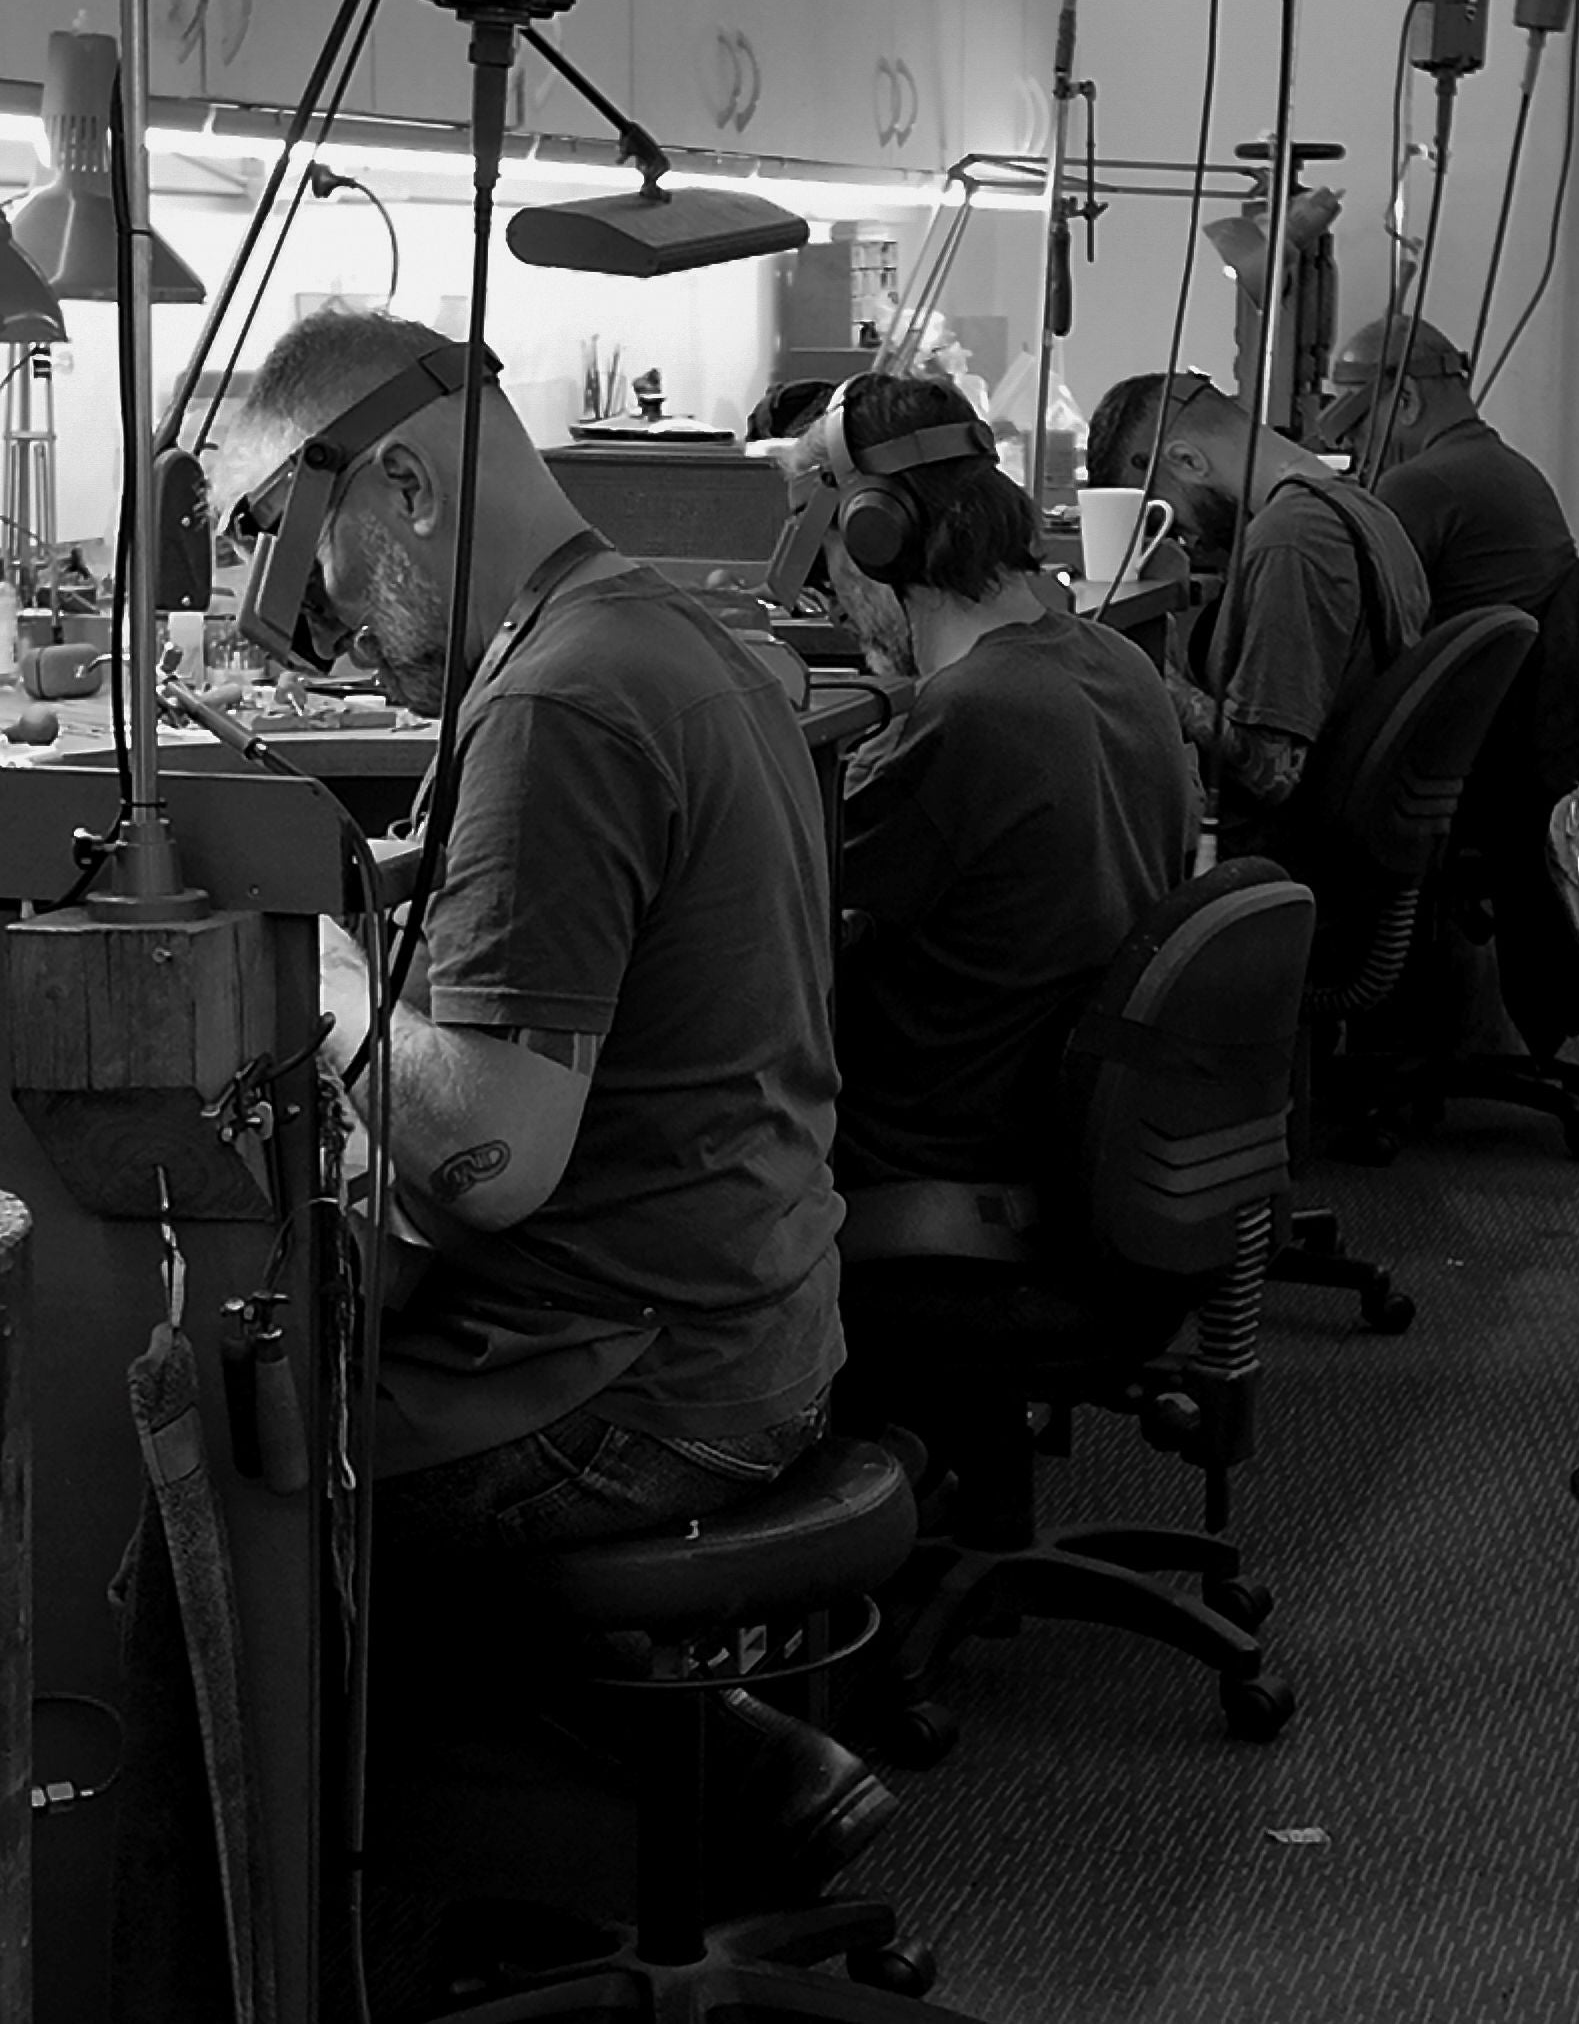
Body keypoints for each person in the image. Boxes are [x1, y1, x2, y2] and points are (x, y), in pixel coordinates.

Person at [221, 307, 892, 1895]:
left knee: (241, 1486)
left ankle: (373, 1922)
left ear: (408, 489)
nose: (311, 614)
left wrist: (326, 987)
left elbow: (488, 1157)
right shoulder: (658, 635)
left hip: (644, 1390)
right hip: (762, 1315)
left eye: (303, 549)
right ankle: (712, 1762)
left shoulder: (556, 709)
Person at [777, 372, 1198, 1453]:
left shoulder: (969, 719)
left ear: (873, 536)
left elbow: (767, 926)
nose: (823, 595)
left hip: (945, 1178)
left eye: (824, 555)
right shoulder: (1113, 662)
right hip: (1083, 1166)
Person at [1085, 370, 1430, 845]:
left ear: (1187, 460)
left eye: (1163, 512)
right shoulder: (1354, 502)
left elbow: (1273, 772)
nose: (1183, 535)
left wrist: (1151, 678)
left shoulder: (1291, 540)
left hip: (1281, 854)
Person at [1319, 313, 1577, 625]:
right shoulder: (1514, 470)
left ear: (1406, 400)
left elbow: (1346, 620)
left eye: (1356, 421)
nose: (1350, 442)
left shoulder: (1419, 485)